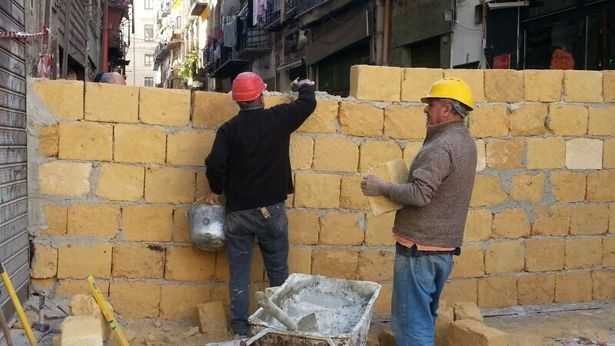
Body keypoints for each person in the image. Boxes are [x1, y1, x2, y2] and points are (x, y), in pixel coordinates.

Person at [361, 78, 477, 346]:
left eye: (431, 104)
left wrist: (383, 187)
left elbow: (420, 194)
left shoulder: (441, 146)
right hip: (441, 248)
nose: (426, 109)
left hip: (419, 249)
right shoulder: (465, 141)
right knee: (423, 318)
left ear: (447, 109)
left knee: (411, 325)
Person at [205, 72, 316, 337]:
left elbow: (214, 164)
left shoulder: (228, 130)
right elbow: (307, 104)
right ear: (260, 96)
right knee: (278, 270)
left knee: (240, 273)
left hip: (238, 213)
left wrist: (217, 190)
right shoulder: (278, 119)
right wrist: (304, 87)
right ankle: (280, 327)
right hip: (271, 212)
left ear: (238, 100)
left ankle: (241, 329)